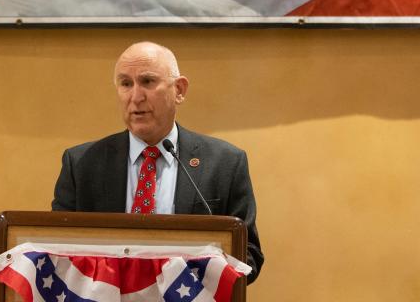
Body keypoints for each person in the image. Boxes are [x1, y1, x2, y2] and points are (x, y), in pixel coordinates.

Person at [52, 41, 264, 284]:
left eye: (148, 82)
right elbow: (59, 250)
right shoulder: (81, 164)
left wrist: (195, 282)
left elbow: (249, 255)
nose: (136, 96)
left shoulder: (225, 163)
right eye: (125, 84)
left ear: (180, 90)